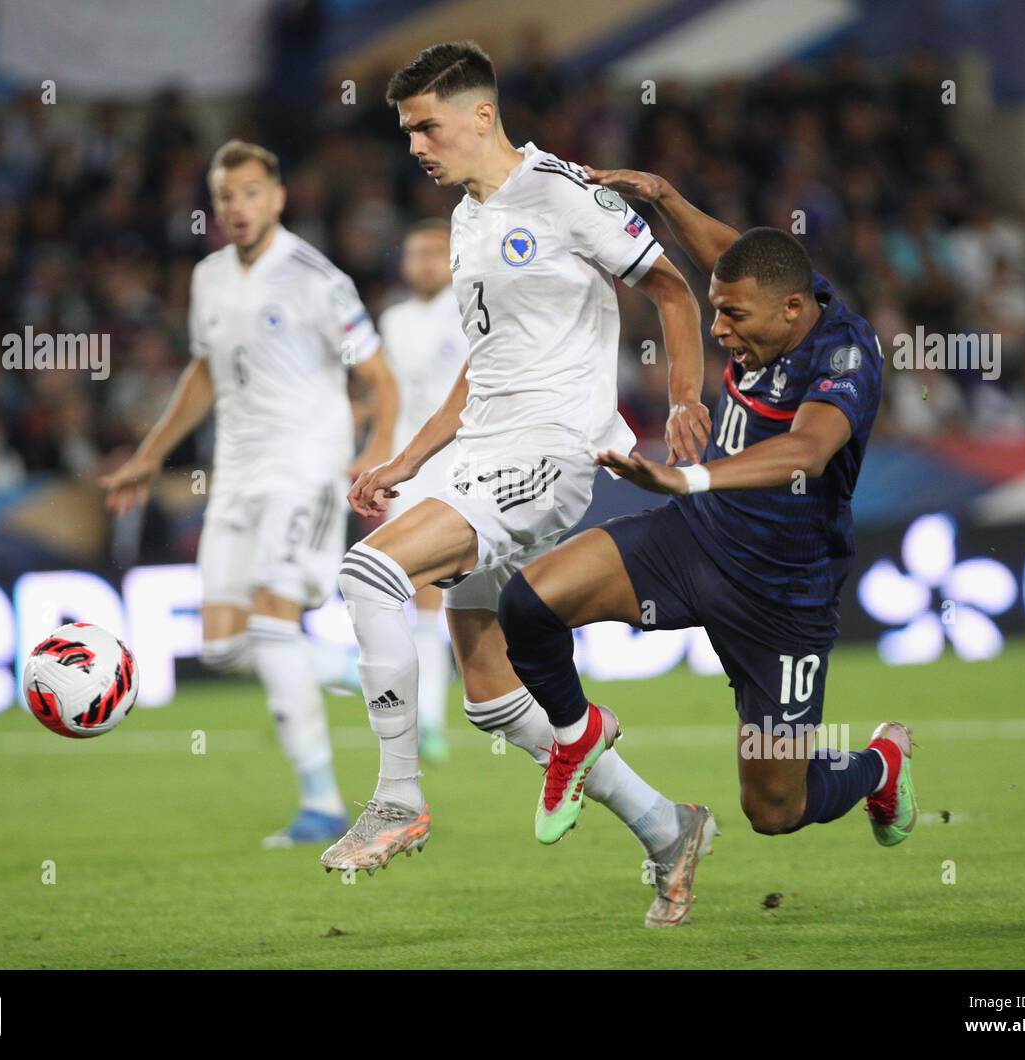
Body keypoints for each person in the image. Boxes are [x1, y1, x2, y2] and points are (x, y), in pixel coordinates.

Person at [326, 41, 719, 928]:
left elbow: (672, 289)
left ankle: (395, 798)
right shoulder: (469, 216)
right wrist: (410, 460)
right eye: (406, 132)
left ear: (479, 116)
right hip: (480, 450)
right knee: (495, 698)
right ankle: (669, 829)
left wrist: (684, 399)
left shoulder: (563, 193)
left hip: (549, 451)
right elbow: (485, 361)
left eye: (426, 127)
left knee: (369, 574)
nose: (416, 147)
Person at [497, 168, 916, 855]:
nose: (718, 329)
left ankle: (879, 766)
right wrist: (664, 198)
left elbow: (808, 450)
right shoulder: (779, 290)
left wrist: (691, 477)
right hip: (692, 542)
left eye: (733, 317)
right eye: (717, 310)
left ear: (790, 311)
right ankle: (578, 738)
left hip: (782, 595)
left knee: (775, 809)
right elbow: (733, 259)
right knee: (528, 605)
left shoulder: (845, 355)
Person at [100, 140, 399, 849]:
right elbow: (204, 374)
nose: (237, 206)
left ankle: (322, 804)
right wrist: (149, 456)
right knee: (224, 647)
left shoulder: (314, 277)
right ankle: (363, 671)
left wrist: (377, 451)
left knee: (271, 626)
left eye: (250, 192)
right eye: (226, 196)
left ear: (278, 197)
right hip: (234, 475)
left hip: (306, 466)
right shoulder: (207, 278)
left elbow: (380, 377)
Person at [377, 218, 470, 764]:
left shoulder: (471, 309)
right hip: (413, 472)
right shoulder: (392, 321)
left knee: (473, 597)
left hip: (469, 465)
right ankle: (429, 720)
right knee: (423, 597)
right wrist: (379, 460)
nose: (427, 262)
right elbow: (388, 398)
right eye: (417, 252)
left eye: (437, 251)